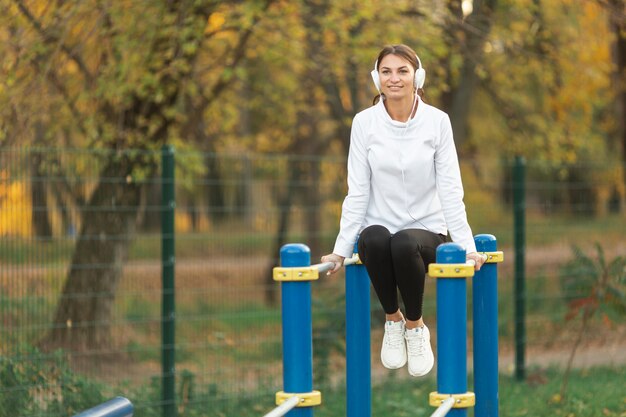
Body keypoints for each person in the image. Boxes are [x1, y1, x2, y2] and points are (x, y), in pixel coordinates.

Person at [321, 44, 486, 377]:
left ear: (417, 76)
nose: (394, 78)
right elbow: (358, 191)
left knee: (403, 242)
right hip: (380, 233)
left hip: (427, 234)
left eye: (402, 71)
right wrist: (340, 251)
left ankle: (415, 325)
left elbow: (451, 190)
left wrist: (468, 247)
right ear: (376, 78)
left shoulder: (437, 122)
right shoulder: (363, 123)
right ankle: (392, 320)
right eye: (386, 71)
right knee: (373, 237)